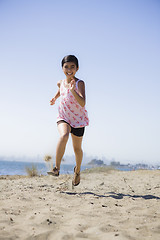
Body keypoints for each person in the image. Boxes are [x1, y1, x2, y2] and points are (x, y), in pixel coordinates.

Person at [48, 55, 89, 186]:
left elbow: (82, 103)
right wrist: (54, 98)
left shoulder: (79, 83)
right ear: (62, 68)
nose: (69, 69)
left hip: (78, 120)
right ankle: (56, 168)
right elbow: (60, 90)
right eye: (66, 67)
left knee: (77, 148)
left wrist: (73, 91)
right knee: (64, 135)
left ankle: (77, 171)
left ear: (77, 68)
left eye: (72, 67)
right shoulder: (60, 82)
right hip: (63, 116)